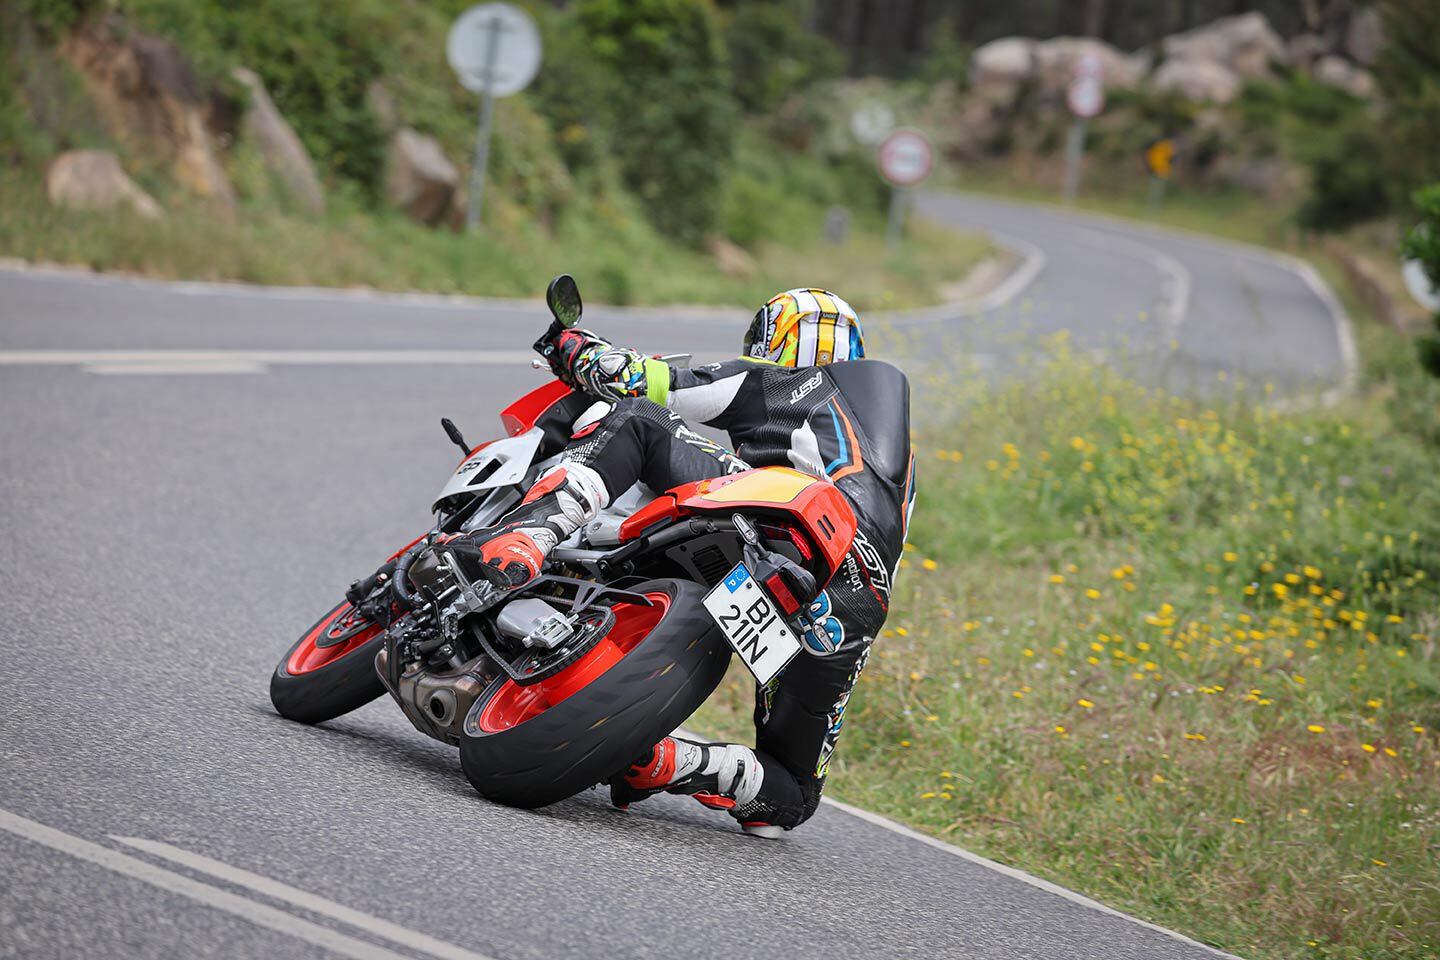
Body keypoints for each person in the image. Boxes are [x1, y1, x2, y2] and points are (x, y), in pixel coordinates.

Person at [446, 287, 915, 836]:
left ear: (776, 339)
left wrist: (574, 346)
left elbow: (649, 382)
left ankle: (528, 536)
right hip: (851, 601)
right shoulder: (898, 456)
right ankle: (677, 762)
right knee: (790, 796)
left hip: (780, 522)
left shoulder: (790, 381)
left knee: (640, 420)